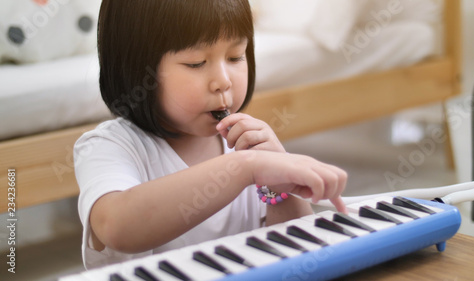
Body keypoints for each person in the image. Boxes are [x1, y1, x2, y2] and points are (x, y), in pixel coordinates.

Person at [74, 0, 348, 269]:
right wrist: (244, 168)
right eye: (196, 63)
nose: (223, 81)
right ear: (134, 68)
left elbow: (299, 250)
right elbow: (117, 226)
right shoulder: (108, 146)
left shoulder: (249, 145)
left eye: (235, 57)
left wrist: (279, 185)